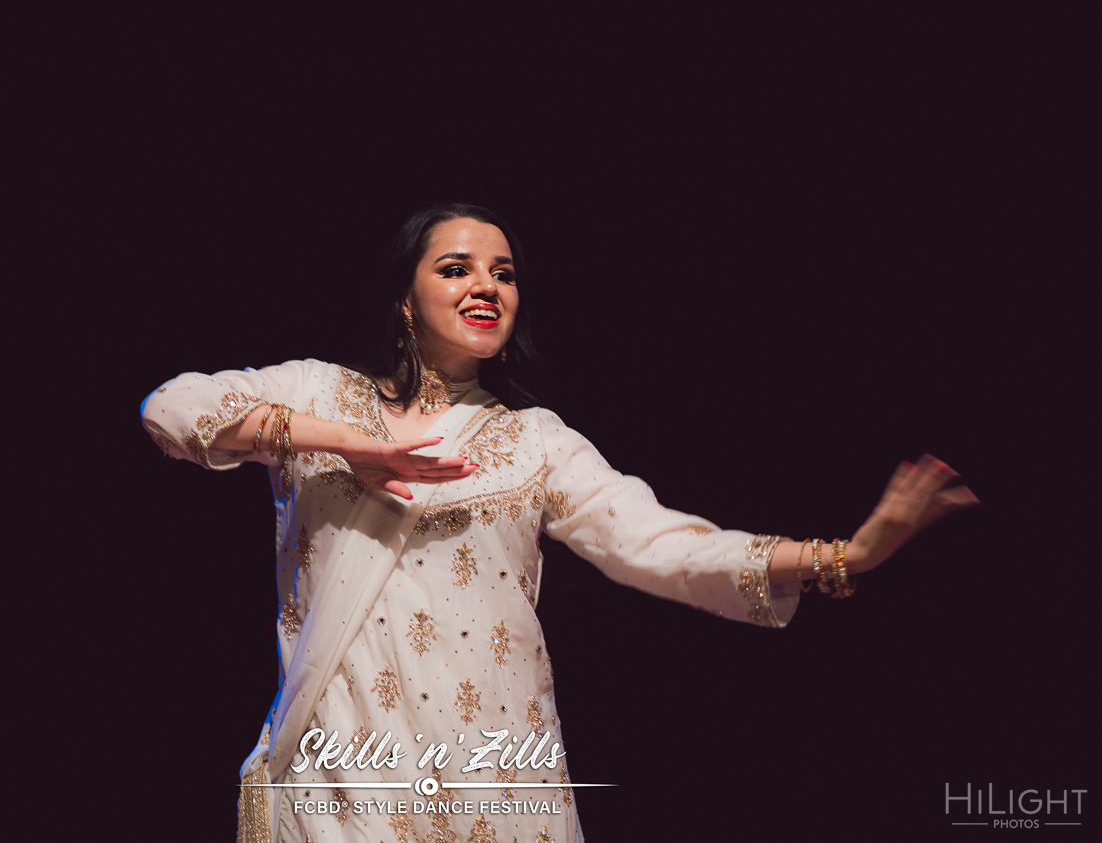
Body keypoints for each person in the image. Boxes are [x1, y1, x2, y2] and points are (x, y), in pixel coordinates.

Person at [139, 204, 977, 843]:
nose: (486, 286)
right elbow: (171, 409)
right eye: (457, 269)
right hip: (345, 764)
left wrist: (845, 554)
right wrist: (343, 443)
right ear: (405, 300)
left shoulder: (534, 442)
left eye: (503, 274)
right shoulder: (320, 393)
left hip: (496, 770)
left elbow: (657, 546)